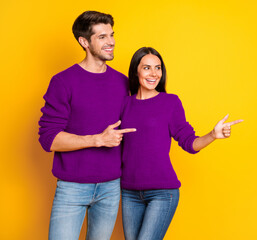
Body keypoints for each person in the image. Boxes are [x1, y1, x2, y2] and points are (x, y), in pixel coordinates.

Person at [119, 47, 243, 240]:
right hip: (129, 192)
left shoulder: (170, 102)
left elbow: (188, 141)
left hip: (162, 192)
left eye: (158, 68)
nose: (154, 73)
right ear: (136, 71)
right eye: (147, 68)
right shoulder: (125, 104)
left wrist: (212, 134)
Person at [38, 11, 135, 240]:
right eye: (102, 37)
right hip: (72, 187)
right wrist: (97, 139)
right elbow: (48, 139)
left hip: (111, 187)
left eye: (111, 35)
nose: (111, 42)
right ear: (84, 42)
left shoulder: (122, 82)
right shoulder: (63, 82)